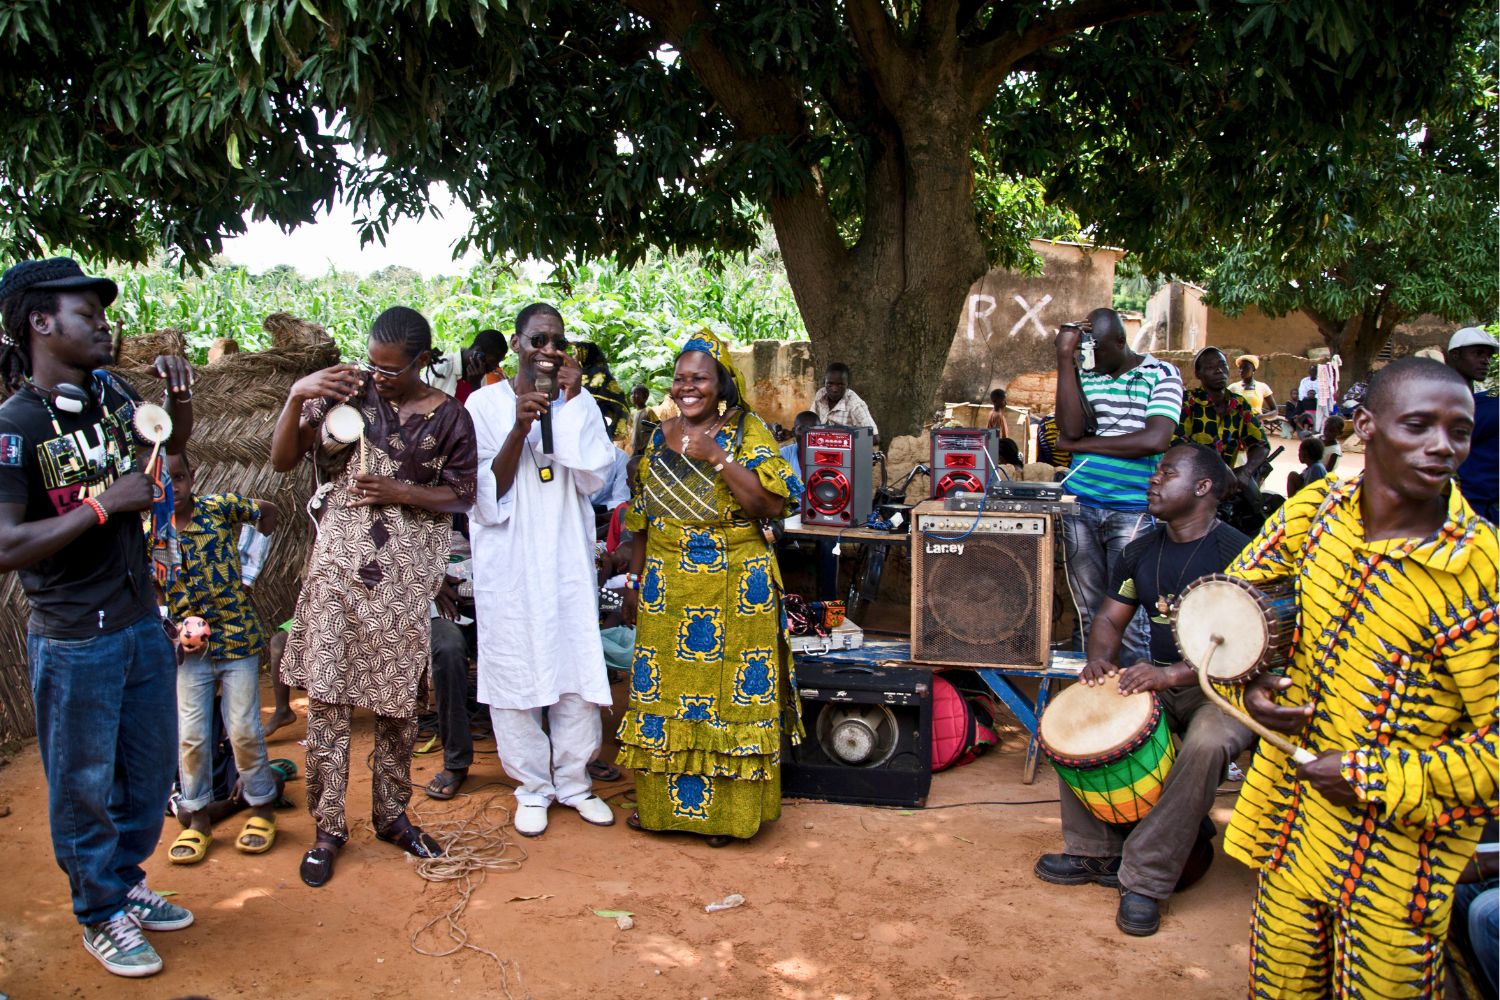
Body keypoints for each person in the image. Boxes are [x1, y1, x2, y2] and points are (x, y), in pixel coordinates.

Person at [1225, 357, 1497, 999]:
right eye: (1418, 425)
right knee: (1281, 986)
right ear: (1366, 426)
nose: (1443, 447)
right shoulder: (1316, 513)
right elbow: (1232, 596)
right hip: (1292, 824)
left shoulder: (1476, 573)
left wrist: (1372, 776)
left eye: (1459, 431)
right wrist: (1255, 677)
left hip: (1396, 859)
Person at [0, 257, 196, 977]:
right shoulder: (15, 427)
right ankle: (96, 912)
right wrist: (99, 506)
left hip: (141, 619)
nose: (105, 325)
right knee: (82, 785)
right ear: (41, 322)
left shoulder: (113, 394)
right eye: (89, 314)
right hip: (76, 636)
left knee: (146, 776)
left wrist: (180, 398)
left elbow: (169, 446)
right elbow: (5, 545)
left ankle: (124, 883)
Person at [271, 306, 477, 887]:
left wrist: (400, 490)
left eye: (392, 368)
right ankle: (328, 828)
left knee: (396, 703)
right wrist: (297, 397)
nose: (379, 376)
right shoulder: (349, 395)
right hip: (341, 565)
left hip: (407, 575)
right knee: (330, 698)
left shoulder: (451, 418)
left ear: (422, 361)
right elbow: (284, 459)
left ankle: (391, 815)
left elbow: (463, 496)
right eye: (373, 364)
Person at [1035, 443, 1254, 936]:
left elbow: (1251, 645)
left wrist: (1172, 675)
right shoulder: (1141, 551)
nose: (1154, 480)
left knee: (1206, 743)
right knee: (1077, 721)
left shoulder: (1239, 554)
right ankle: (1092, 851)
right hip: (1155, 678)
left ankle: (1147, 879)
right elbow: (1111, 619)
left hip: (1221, 691)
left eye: (1167, 472)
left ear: (1202, 488)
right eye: (1156, 473)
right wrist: (1100, 662)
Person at [618, 331, 804, 845]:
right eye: (679, 379)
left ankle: (725, 816)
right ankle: (662, 810)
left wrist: (717, 457)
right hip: (666, 587)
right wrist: (633, 579)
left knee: (726, 700)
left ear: (720, 383)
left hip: (734, 586)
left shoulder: (750, 432)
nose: (686, 388)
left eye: (698, 378)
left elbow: (771, 504)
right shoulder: (658, 434)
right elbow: (642, 517)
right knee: (665, 698)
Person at [466, 303, 618, 837]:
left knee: (575, 667)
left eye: (558, 342)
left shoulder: (581, 403)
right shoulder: (483, 405)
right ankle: (532, 787)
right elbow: (486, 493)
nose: (549, 351)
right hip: (510, 563)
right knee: (514, 669)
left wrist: (573, 404)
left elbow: (592, 478)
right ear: (516, 344)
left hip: (565, 558)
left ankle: (574, 784)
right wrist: (518, 427)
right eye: (538, 340)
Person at [162, 452, 281, 865]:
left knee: (244, 729)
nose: (172, 487)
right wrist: (172, 627)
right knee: (192, 735)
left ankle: (261, 806)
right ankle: (197, 819)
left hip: (238, 639)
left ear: (192, 477)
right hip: (188, 651)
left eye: (179, 477)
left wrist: (248, 571)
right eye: (163, 479)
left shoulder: (217, 508)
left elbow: (268, 513)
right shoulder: (149, 529)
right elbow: (148, 586)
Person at [1054, 308, 1183, 666]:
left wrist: (1081, 448)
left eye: (1098, 351)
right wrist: (1065, 360)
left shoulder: (1162, 374)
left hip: (1133, 510)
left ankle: (1132, 706)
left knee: (1129, 614)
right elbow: (1068, 430)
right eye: (1084, 352)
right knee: (1088, 609)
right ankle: (1089, 698)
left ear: (1121, 342)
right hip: (1081, 505)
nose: (1090, 360)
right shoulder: (1085, 373)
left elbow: (1155, 438)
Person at [423, 523, 479, 801]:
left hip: (492, 602)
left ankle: (563, 756)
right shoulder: (412, 503)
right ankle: (457, 761)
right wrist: (432, 578)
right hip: (439, 608)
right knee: (448, 648)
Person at [1175, 347, 1269, 492]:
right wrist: (1221, 470)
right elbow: (1180, 444)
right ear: (1198, 374)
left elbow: (1261, 444)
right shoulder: (1188, 402)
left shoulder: (1239, 404)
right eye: (1210, 367)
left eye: (1222, 365)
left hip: (1226, 488)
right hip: (1190, 486)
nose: (1219, 370)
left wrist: (1245, 472)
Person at [1446, 326, 1498, 523]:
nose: (1485, 360)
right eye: (1478, 353)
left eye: (1488, 355)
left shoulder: (1484, 401)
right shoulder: (1438, 399)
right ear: (1456, 355)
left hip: (1484, 508)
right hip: (1456, 506)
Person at [421, 328, 507, 404]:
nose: (494, 368)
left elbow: (481, 412)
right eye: (493, 362)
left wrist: (475, 385)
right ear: (478, 353)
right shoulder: (440, 369)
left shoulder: (479, 374)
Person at [574, 340, 632, 441]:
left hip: (597, 422)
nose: (574, 357)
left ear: (584, 354)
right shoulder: (577, 372)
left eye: (575, 353)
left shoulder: (600, 373)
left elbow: (616, 397)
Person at [812, 361, 879, 444]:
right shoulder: (820, 395)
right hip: (822, 446)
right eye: (830, 384)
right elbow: (811, 422)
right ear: (824, 382)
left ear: (847, 385)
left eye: (840, 385)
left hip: (847, 451)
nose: (834, 389)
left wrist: (843, 441)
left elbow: (875, 438)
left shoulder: (855, 404)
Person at [626, 383, 655, 455]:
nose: (633, 396)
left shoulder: (648, 411)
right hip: (635, 446)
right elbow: (631, 429)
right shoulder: (632, 413)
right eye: (632, 393)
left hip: (646, 446)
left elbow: (657, 426)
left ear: (645, 396)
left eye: (636, 393)